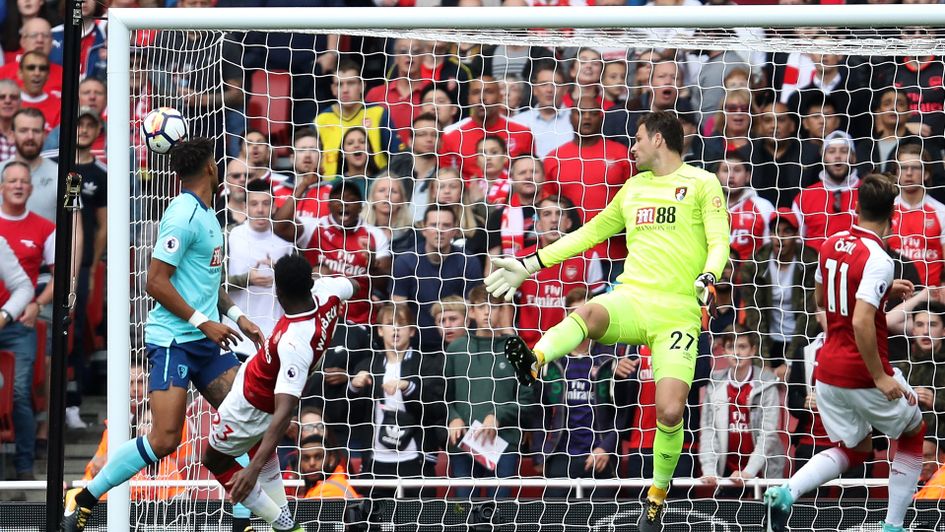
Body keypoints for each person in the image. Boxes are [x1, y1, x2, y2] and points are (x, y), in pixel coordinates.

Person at [485, 111, 729, 531]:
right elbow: (589, 233)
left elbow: (719, 239)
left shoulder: (702, 183)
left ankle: (655, 498)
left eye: (636, 139)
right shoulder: (632, 189)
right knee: (589, 311)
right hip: (633, 298)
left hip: (677, 314)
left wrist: (709, 275)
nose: (631, 148)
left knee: (670, 412)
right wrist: (530, 263)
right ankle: (535, 359)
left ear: (657, 139)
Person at [62, 138, 265, 532]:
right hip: (173, 340)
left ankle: (244, 519)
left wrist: (239, 317)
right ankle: (86, 498)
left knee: (248, 417)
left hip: (206, 343)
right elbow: (155, 282)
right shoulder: (182, 216)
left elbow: (207, 282)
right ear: (210, 168)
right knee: (165, 439)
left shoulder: (208, 214)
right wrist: (203, 322)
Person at [763, 174, 925, 532]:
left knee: (857, 448)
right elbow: (863, 321)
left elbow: (823, 300)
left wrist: (882, 290)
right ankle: (893, 526)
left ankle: (787, 492)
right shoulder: (879, 259)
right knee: (914, 431)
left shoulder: (831, 242)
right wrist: (880, 377)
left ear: (856, 206)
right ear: (892, 215)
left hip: (826, 371)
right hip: (861, 371)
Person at [203, 254, 357, 532]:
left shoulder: (295, 343)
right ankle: (282, 522)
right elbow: (353, 285)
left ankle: (285, 526)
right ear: (311, 284)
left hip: (250, 406)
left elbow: (284, 411)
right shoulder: (329, 292)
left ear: (279, 292)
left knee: (213, 460)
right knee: (258, 447)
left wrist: (252, 469)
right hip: (256, 378)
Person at [446, 285, 537, 499]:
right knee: (464, 511)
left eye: (494, 307)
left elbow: (528, 401)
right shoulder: (456, 348)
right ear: (472, 311)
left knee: (500, 510)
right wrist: (453, 418)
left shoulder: (517, 348)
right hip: (463, 443)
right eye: (481, 306)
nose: (487, 312)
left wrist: (498, 416)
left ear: (503, 311)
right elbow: (443, 396)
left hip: (503, 444)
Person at [349, 303, 446, 500]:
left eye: (401, 324)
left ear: (411, 331)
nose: (395, 329)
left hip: (415, 460)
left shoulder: (427, 363)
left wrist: (409, 387)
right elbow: (350, 416)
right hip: (375, 460)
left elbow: (437, 409)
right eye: (389, 324)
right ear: (379, 330)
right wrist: (354, 388)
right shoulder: (366, 365)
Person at [536, 287, 618, 500]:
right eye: (574, 313)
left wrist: (606, 447)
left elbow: (624, 414)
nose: (581, 319)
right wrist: (540, 453)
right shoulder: (551, 362)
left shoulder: (610, 362)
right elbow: (538, 411)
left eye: (586, 313)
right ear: (565, 317)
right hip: (560, 456)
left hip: (599, 456)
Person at [0, 161, 54, 480]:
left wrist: (34, 305)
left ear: (31, 189)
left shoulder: (45, 227)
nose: (18, 186)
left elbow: (57, 277)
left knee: (19, 392)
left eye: (24, 181)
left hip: (18, 323)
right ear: (2, 187)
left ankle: (24, 467)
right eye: (12, 181)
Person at [698, 325, 785, 496]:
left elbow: (769, 434)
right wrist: (709, 469)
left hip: (763, 473)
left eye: (742, 347)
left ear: (753, 350)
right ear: (724, 350)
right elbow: (708, 431)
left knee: (765, 521)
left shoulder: (767, 385)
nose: (736, 352)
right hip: (727, 473)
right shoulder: (714, 385)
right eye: (731, 347)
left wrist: (749, 471)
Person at [391, 204, 482, 351]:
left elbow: (473, 310)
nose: (440, 231)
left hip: (461, 346)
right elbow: (398, 310)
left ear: (455, 231)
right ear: (424, 229)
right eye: (434, 225)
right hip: (417, 347)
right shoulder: (405, 261)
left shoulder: (468, 261)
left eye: (446, 225)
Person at [225, 178, 295, 350]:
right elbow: (215, 283)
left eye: (265, 203)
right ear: (245, 207)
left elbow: (296, 292)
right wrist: (248, 279)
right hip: (235, 336)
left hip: (272, 337)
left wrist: (281, 272)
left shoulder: (286, 244)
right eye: (254, 204)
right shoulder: (230, 236)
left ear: (274, 207)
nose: (260, 210)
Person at [439, 76, 534, 180]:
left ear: (500, 97)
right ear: (469, 99)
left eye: (489, 92)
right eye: (476, 92)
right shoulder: (451, 134)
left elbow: (532, 174)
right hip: (467, 195)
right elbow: (446, 178)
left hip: (511, 194)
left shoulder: (523, 132)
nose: (482, 98)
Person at [315, 60, 398, 177]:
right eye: (339, 84)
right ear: (333, 89)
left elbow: (397, 157)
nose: (345, 90)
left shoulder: (378, 113)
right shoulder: (321, 121)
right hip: (332, 190)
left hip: (375, 187)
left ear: (362, 86)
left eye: (351, 83)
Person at [792, 131, 861, 252]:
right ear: (823, 158)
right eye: (831, 151)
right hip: (815, 268)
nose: (838, 156)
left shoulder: (868, 193)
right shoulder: (804, 197)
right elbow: (796, 246)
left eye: (844, 151)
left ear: (854, 158)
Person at [887, 143, 945, 288]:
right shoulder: (886, 210)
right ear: (896, 173)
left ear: (926, 174)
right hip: (892, 295)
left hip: (930, 299)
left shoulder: (941, 212)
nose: (909, 173)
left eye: (915, 167)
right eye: (904, 168)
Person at [510, 60, 574, 158]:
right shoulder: (518, 122)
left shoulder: (576, 121)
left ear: (565, 90)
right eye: (544, 84)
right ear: (535, 89)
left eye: (555, 84)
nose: (549, 90)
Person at [299, 433, 361, 499]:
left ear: (332, 459)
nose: (312, 463)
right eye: (306, 458)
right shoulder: (330, 484)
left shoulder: (328, 489)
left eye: (318, 457)